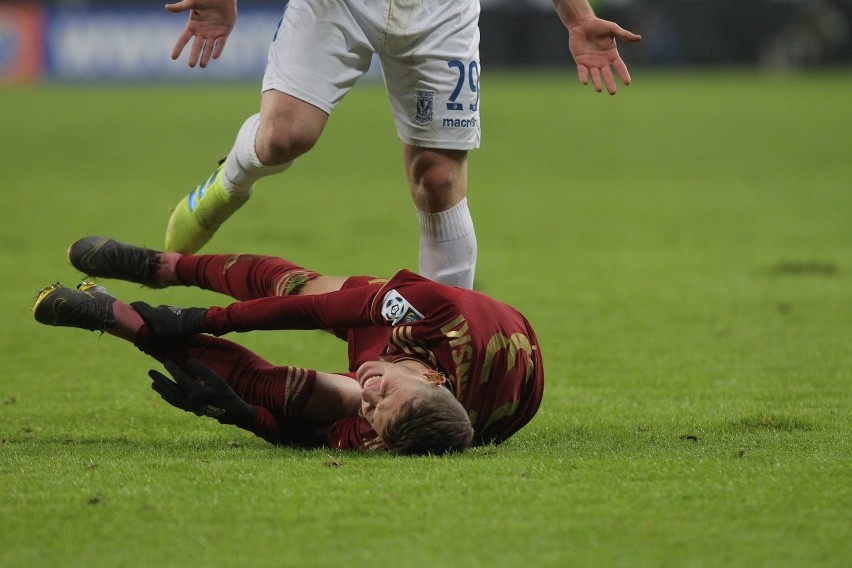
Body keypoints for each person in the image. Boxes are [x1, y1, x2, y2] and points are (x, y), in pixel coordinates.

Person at [161, 0, 641, 288]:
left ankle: (443, 354)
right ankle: (228, 182)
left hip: (439, 14)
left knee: (438, 178)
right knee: (283, 137)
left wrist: (578, 17)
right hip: (339, 5)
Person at [32, 235, 544, 455]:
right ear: (433, 378)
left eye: (372, 411)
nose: (369, 395)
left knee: (309, 400)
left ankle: (114, 317)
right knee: (301, 289)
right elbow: (316, 314)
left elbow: (311, 435)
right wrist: (205, 318)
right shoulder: (437, 311)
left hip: (460, 383)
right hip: (443, 331)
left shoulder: (397, 430)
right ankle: (164, 267)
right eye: (382, 396)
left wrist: (244, 416)